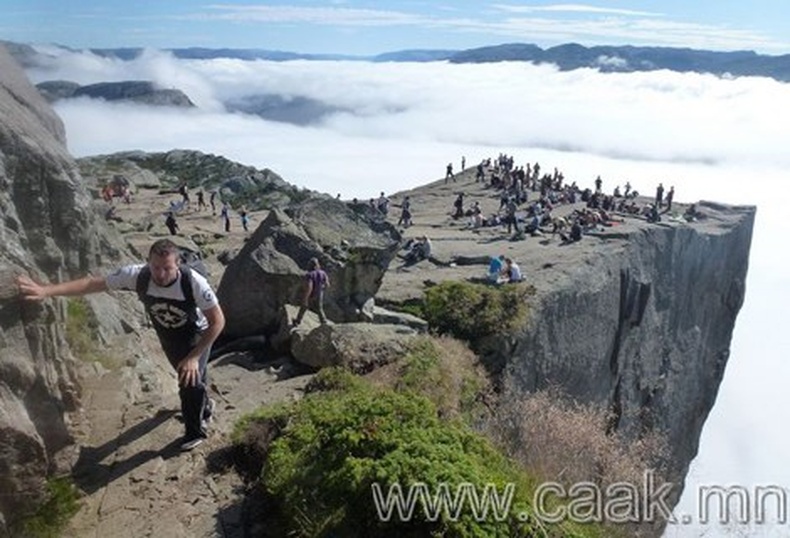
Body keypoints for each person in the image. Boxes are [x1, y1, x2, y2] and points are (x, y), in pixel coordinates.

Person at [17, 239, 225, 451]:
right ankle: (204, 404)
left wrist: (193, 356)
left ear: (178, 264)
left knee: (189, 379)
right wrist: (46, 291)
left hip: (196, 333)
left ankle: (196, 429)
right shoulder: (137, 275)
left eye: (167, 268)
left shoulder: (194, 283)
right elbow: (92, 284)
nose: (160, 274)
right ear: (148, 262)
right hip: (167, 334)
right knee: (190, 376)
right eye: (155, 267)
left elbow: (218, 321)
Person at [293, 257, 330, 326]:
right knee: (319, 308)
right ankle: (324, 322)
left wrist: (305, 298)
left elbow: (309, 287)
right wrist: (321, 289)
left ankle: (297, 321)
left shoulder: (309, 274)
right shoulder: (323, 273)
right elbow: (327, 284)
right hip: (319, 293)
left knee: (304, 307)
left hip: (311, 294)